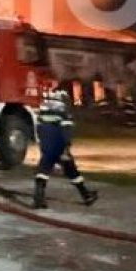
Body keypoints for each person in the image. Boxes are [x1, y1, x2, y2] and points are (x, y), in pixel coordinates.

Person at [33, 81, 98, 210]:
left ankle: (39, 198)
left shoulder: (44, 109)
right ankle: (86, 195)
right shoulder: (63, 110)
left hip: (47, 143)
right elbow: (66, 129)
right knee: (71, 170)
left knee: (43, 169)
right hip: (59, 143)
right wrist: (66, 147)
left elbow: (39, 127)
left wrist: (43, 144)